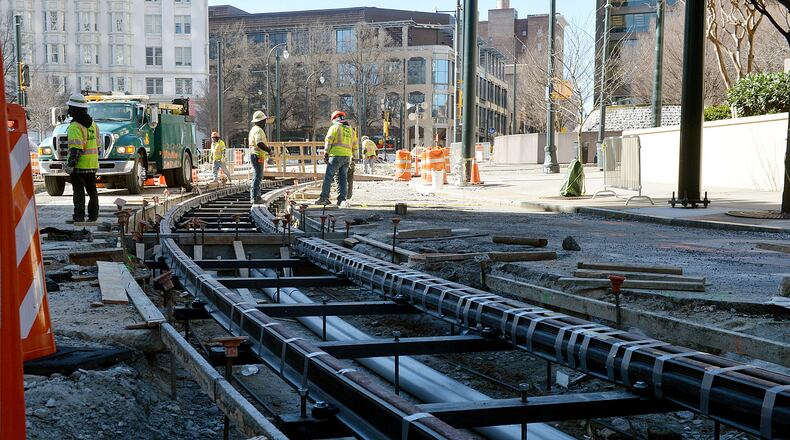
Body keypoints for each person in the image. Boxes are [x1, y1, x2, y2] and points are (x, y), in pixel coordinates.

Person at [63, 94, 99, 223]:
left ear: (73, 109)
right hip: (92, 164)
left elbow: (75, 148)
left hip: (79, 166)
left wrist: (71, 164)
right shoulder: (93, 125)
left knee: (78, 192)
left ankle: (78, 217)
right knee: (92, 191)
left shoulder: (75, 126)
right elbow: (98, 145)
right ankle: (93, 216)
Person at [316, 111, 354, 207]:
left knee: (328, 177)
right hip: (347, 157)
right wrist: (354, 157)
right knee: (343, 178)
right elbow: (355, 145)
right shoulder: (351, 130)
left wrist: (326, 152)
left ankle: (324, 198)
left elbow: (328, 140)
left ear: (334, 119)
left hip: (336, 155)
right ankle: (342, 200)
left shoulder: (335, 127)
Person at [249, 111, 273, 204]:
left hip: (255, 155)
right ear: (259, 121)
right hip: (257, 155)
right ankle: (255, 197)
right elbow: (259, 143)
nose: (265, 123)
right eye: (263, 121)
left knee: (257, 176)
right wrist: (269, 150)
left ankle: (255, 196)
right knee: (258, 176)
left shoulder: (253, 129)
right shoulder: (258, 130)